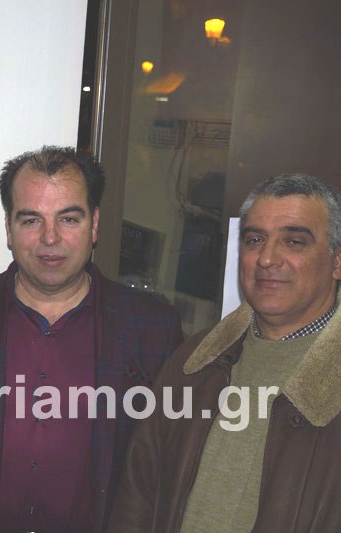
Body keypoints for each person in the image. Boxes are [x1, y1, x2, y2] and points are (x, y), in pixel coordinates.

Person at [0, 146, 183, 532]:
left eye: (68, 219)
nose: (50, 238)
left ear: (94, 224)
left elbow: (167, 466)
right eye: (31, 220)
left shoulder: (153, 328)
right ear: (9, 228)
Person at [108, 173, 341, 532]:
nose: (266, 258)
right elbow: (137, 499)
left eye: (293, 241)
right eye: (255, 240)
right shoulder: (192, 362)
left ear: (337, 261)